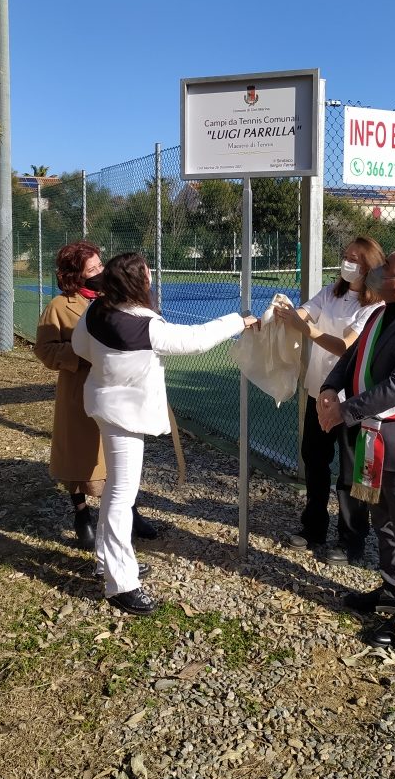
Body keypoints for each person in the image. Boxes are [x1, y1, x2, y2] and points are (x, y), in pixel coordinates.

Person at [72, 252, 259, 616]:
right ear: (136, 282)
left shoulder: (96, 310)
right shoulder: (144, 326)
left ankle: (107, 562)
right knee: (121, 495)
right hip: (125, 417)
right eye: (146, 274)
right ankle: (120, 584)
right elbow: (196, 339)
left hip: (105, 406)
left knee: (116, 491)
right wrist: (240, 320)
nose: (151, 278)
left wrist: (113, 368)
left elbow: (81, 347)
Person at [317, 248, 395, 650]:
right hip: (372, 437)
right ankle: (391, 590)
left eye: (385, 267)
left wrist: (343, 412)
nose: (375, 270)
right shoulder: (378, 314)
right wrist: (329, 388)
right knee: (383, 521)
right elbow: (351, 357)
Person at [34, 242, 157, 551]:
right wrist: (83, 354)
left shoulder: (114, 298)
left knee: (119, 459)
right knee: (77, 456)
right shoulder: (59, 307)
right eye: (92, 269)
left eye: (101, 265)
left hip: (116, 391)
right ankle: (82, 516)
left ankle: (130, 511)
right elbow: (44, 349)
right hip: (78, 391)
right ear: (75, 275)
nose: (100, 272)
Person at [274, 236, 385, 565]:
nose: (347, 263)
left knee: (351, 471)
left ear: (370, 266)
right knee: (314, 459)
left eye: (356, 259)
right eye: (346, 256)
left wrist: (305, 329)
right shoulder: (332, 292)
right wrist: (281, 315)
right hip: (318, 391)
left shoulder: (374, 307)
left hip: (351, 401)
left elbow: (345, 347)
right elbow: (305, 312)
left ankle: (351, 540)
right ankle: (313, 528)